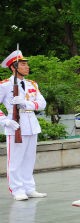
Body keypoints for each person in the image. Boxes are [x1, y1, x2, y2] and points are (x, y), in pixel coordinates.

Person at [0, 50, 47, 201]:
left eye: (27, 64)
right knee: (15, 161)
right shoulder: (5, 85)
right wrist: (5, 121)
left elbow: (42, 104)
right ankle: (17, 189)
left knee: (29, 159)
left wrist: (25, 103)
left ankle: (29, 188)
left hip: (31, 125)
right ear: (14, 67)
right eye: (23, 64)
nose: (27, 67)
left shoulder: (32, 84)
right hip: (15, 126)